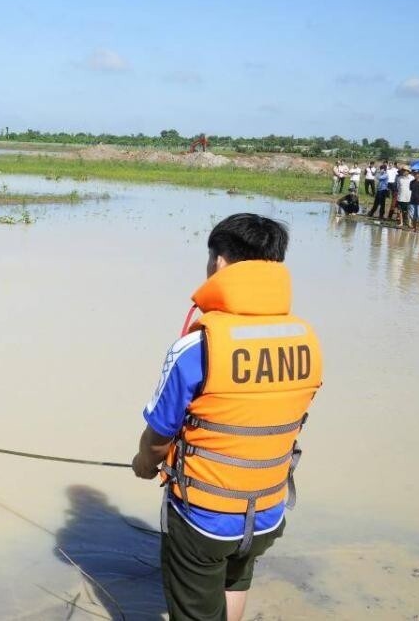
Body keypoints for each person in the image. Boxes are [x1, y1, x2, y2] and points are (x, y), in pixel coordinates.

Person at [132, 213, 322, 621]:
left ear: (219, 262)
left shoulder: (199, 345)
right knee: (235, 579)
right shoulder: (305, 339)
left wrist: (144, 463)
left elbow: (159, 437)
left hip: (204, 517)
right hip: (269, 510)